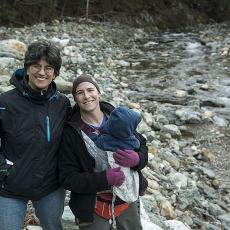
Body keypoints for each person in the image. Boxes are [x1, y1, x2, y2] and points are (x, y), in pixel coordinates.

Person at [59, 74, 148, 230]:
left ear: (98, 93)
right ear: (75, 99)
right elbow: (67, 178)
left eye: (90, 90)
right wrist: (104, 179)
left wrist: (137, 159)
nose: (86, 96)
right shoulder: (71, 133)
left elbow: (142, 145)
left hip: (127, 199)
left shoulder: (117, 116)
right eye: (80, 93)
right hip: (92, 205)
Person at [0, 41, 71, 230]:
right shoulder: (5, 102)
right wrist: (3, 171)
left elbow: (78, 138)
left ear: (55, 73)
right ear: (27, 68)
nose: (42, 72)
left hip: (50, 186)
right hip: (11, 187)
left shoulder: (62, 104)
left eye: (48, 68)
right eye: (36, 66)